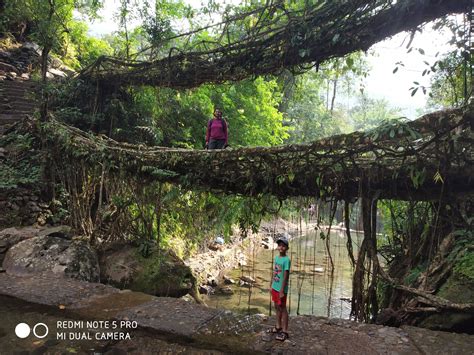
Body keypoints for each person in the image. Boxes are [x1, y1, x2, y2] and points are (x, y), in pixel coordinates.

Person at [268, 235, 291, 341]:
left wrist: (282, 290)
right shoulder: (276, 258)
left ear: (287, 248)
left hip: (282, 288)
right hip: (275, 287)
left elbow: (286, 276)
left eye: (283, 246)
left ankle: (285, 331)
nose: (281, 247)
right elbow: (275, 272)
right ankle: (278, 326)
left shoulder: (287, 260)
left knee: (283, 308)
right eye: (279, 245)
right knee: (276, 306)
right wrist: (271, 285)